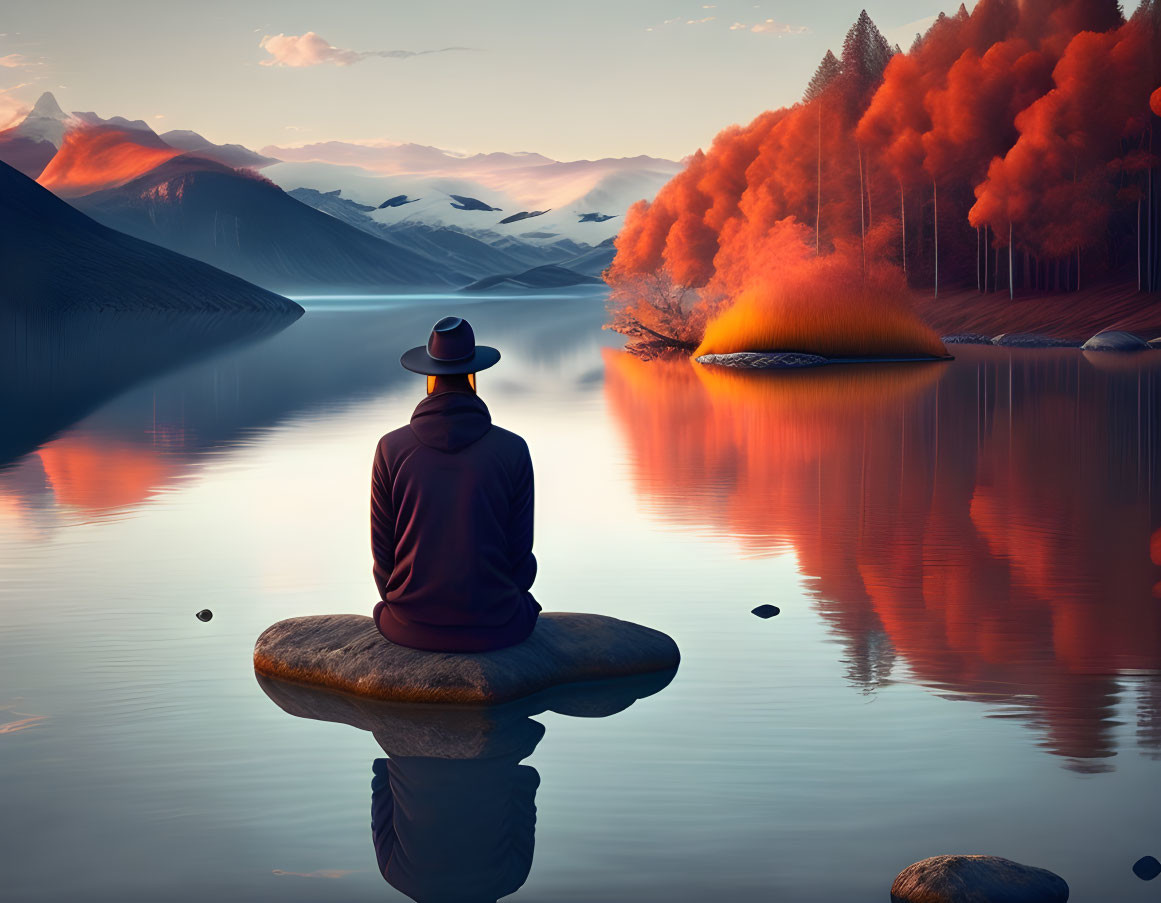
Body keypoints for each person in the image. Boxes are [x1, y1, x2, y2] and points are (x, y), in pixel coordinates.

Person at [370, 316, 540, 652]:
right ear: (473, 378)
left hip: (410, 624)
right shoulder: (512, 449)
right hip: (497, 624)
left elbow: (382, 558)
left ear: (429, 379)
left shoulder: (390, 449)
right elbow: (521, 555)